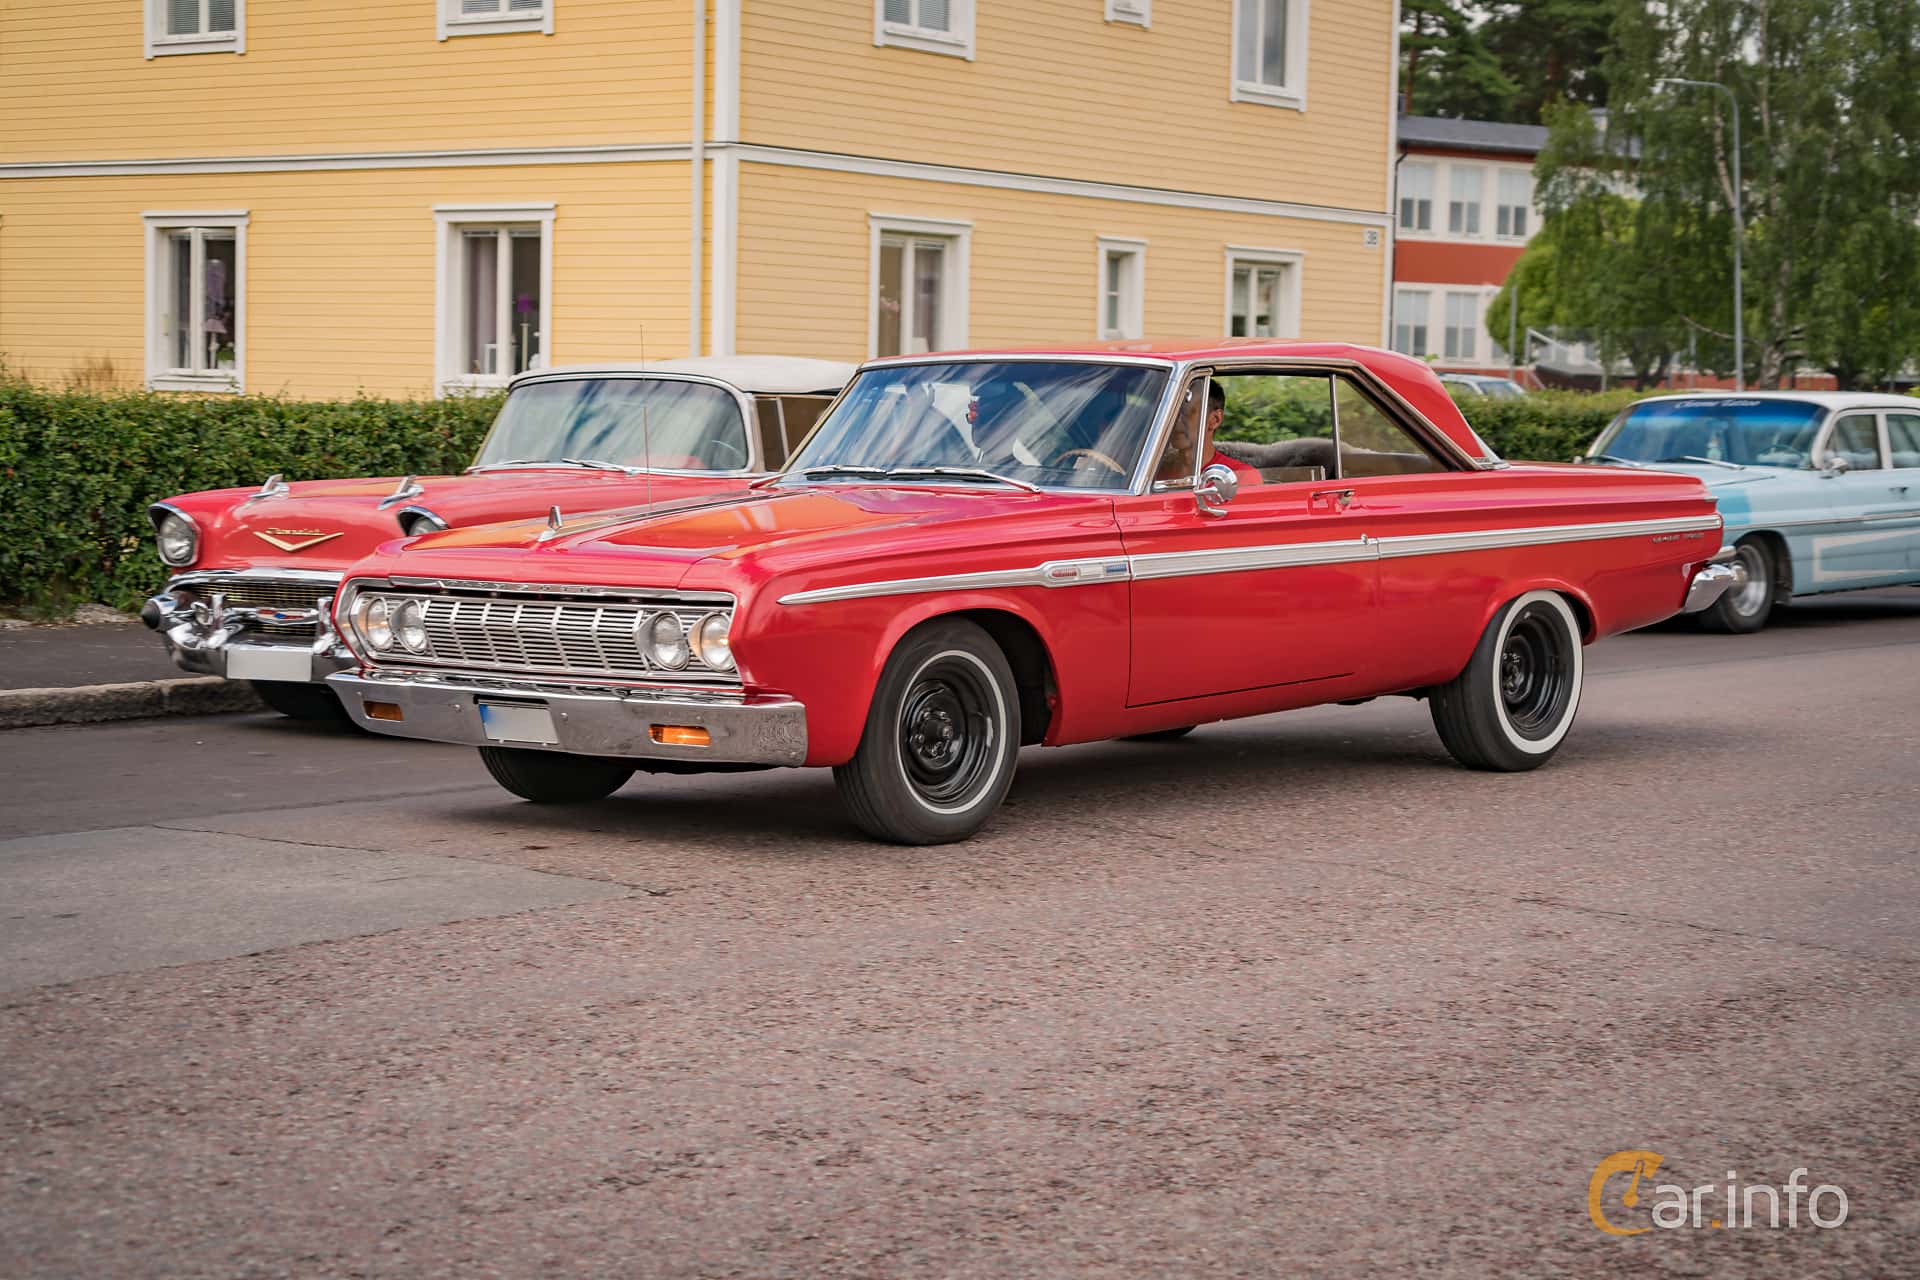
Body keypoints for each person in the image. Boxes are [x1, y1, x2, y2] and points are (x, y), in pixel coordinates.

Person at [1156, 381, 1258, 486]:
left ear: (1215, 420)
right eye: (1171, 413)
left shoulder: (1239, 477)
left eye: (1186, 412)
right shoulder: (1154, 472)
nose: (1175, 422)